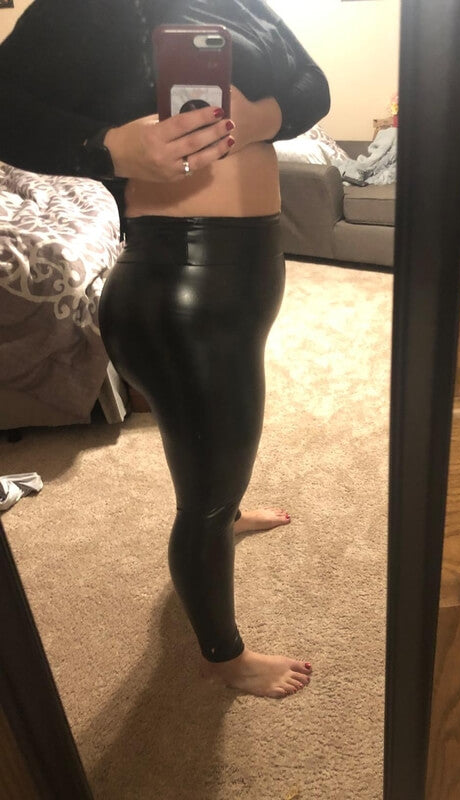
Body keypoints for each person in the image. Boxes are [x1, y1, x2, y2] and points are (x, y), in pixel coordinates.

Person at [0, 0, 330, 699]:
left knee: (223, 454)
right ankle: (223, 657)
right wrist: (108, 147)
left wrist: (255, 119)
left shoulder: (240, 4)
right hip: (178, 289)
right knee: (204, 500)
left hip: (247, 273)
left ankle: (226, 510)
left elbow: (312, 85)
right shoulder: (87, 9)